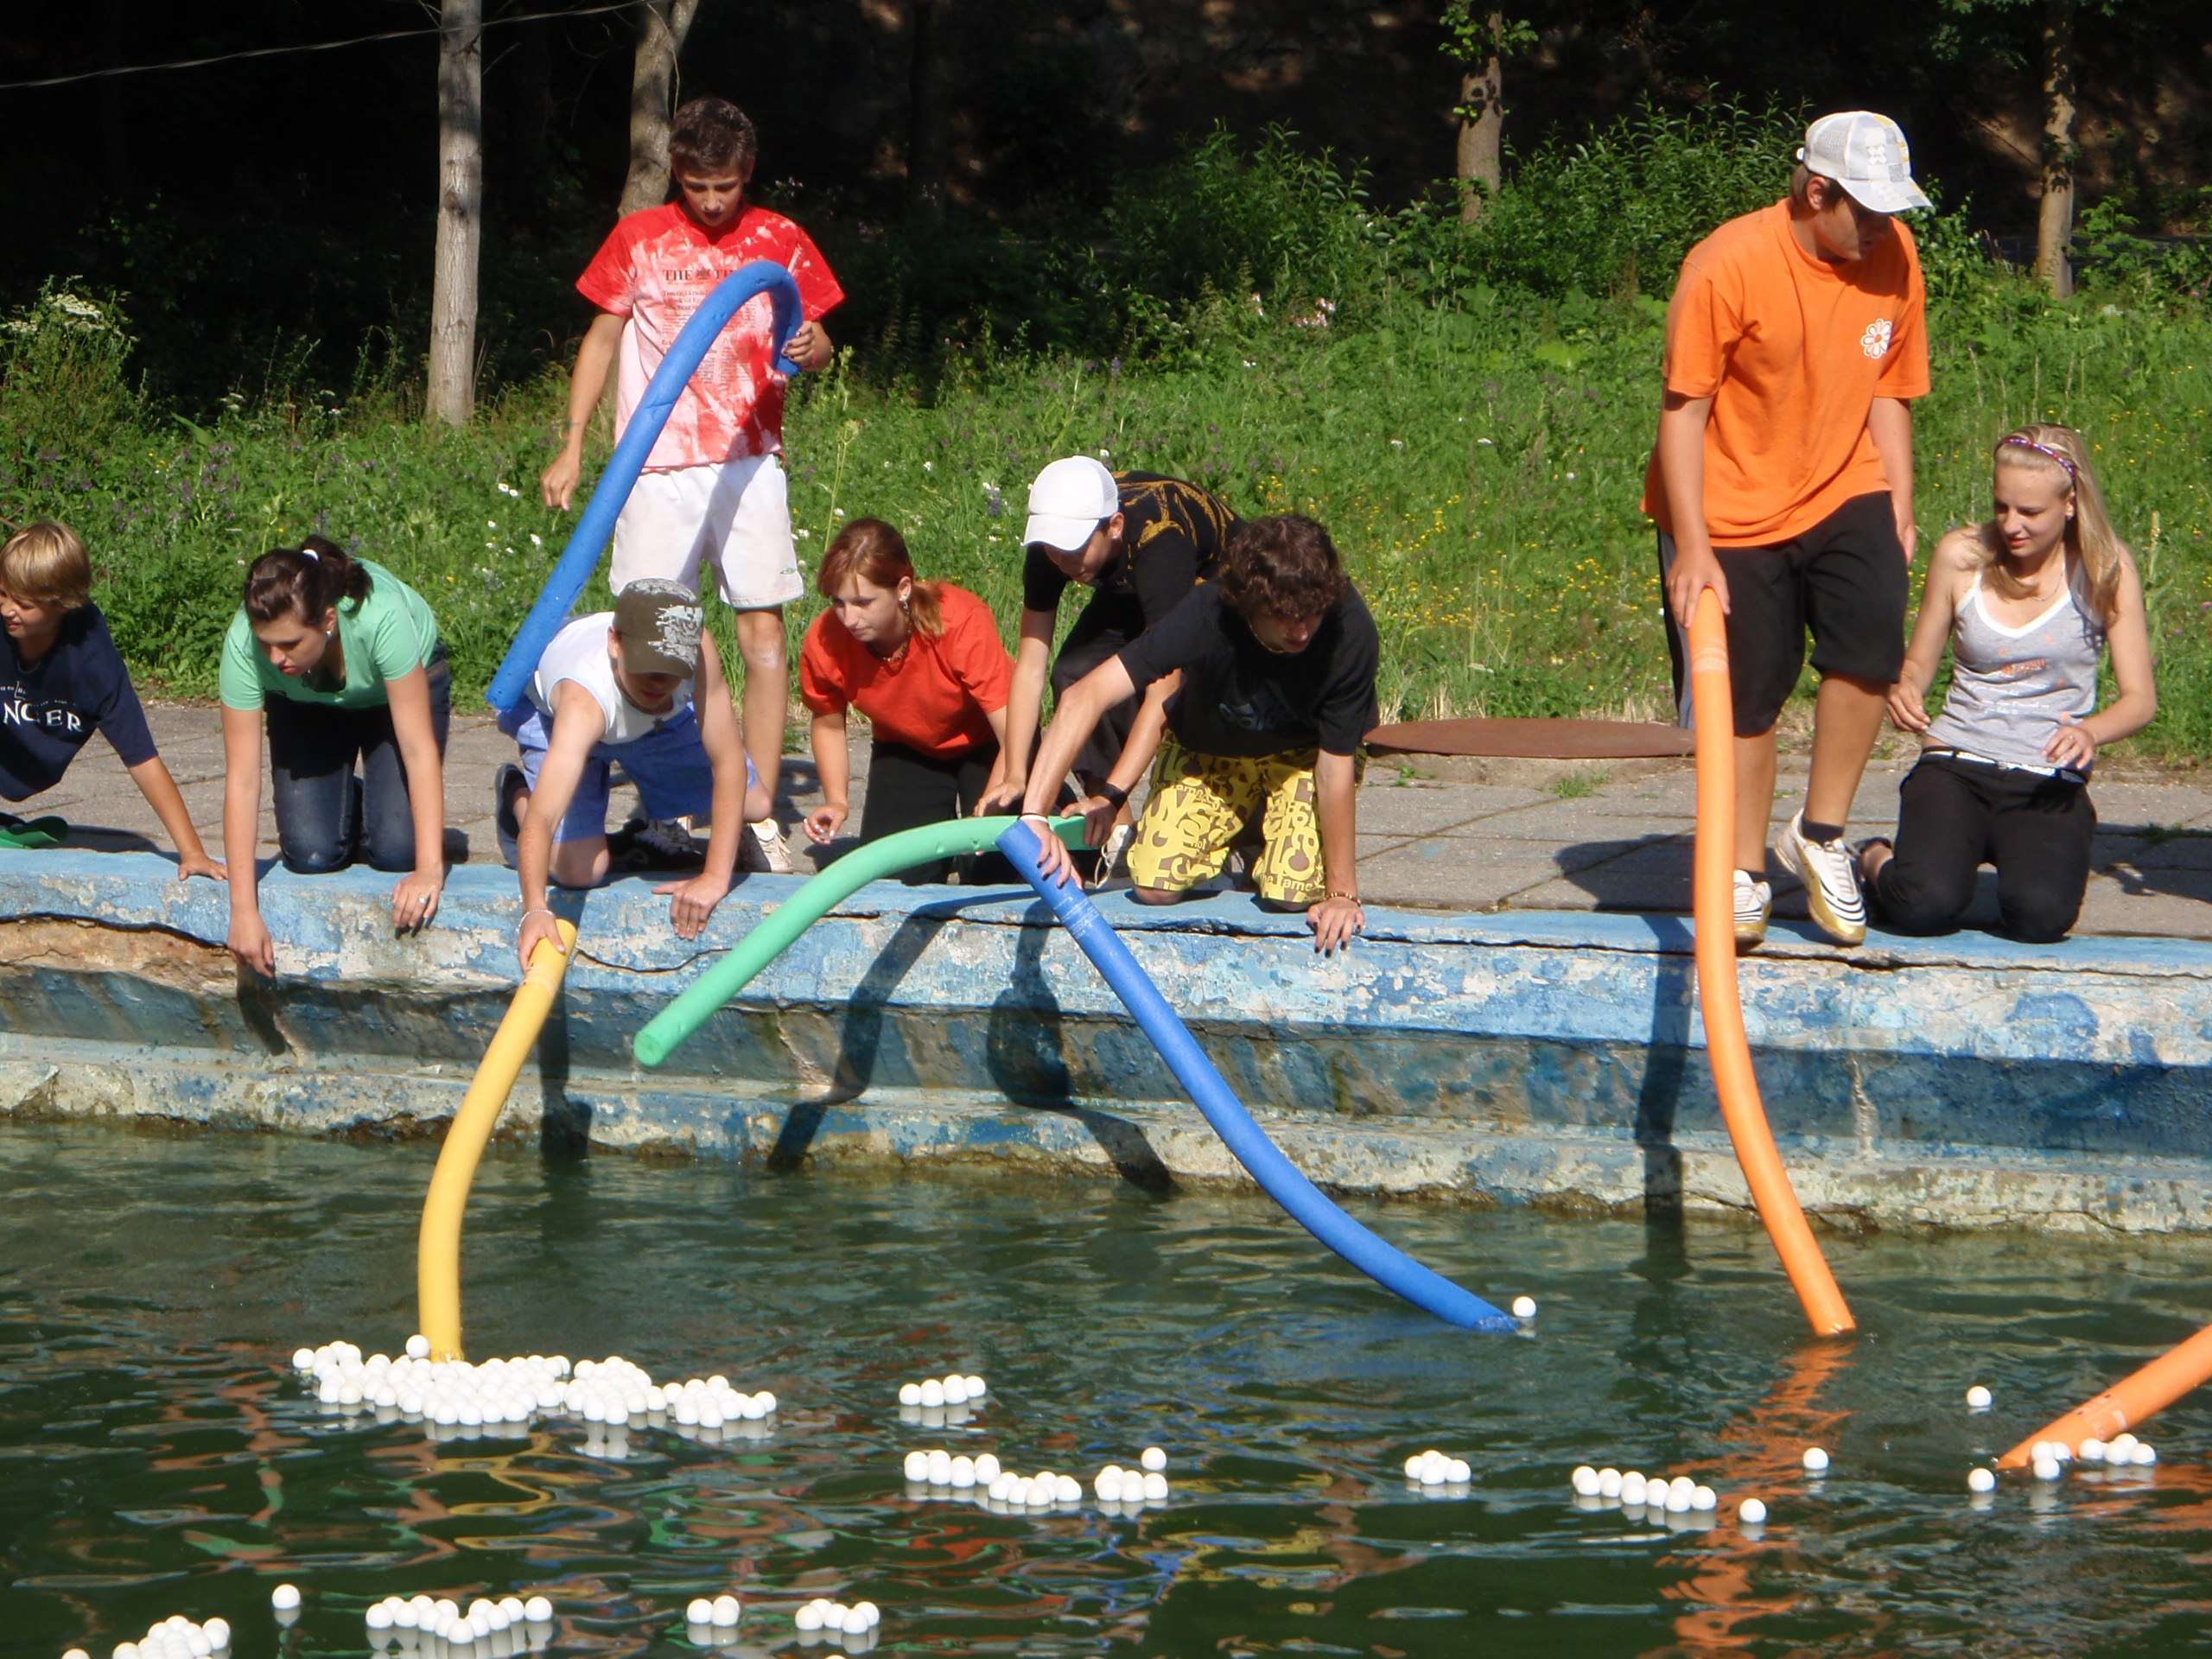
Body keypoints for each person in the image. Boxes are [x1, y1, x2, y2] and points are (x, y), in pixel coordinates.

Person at [538, 95, 842, 877]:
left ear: (748, 173)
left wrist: (810, 346)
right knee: (654, 637)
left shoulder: (779, 239)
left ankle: (757, 806)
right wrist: (573, 445)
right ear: (676, 171)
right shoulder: (639, 237)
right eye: (697, 186)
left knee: (762, 632)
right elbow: (601, 338)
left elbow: (818, 343)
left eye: (726, 187)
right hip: (654, 466)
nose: (711, 202)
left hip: (748, 458)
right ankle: (667, 808)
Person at [1649, 111, 1932, 949]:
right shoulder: (1726, 264)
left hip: (1843, 481)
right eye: (1868, 211)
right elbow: (1682, 414)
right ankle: (1743, 866)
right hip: (1731, 501)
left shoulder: (1894, 255)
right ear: (1816, 193)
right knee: (1749, 689)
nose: (1882, 228)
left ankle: (1819, 834)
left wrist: (1899, 502)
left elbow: (1889, 389)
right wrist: (1693, 546)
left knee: (1870, 641)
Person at [1020, 514, 1376, 955]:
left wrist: (1342, 893)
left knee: (1292, 893)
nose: (1302, 631)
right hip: (1211, 755)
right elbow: (1085, 695)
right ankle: (1236, 837)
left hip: (1303, 758)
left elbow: (1335, 766)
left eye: (1311, 614)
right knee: (1154, 884)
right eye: (1284, 618)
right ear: (1248, 606)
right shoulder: (1209, 612)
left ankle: (1262, 832)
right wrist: (1034, 816)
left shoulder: (1348, 628)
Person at [1859, 425, 2154, 941]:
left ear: (2070, 504)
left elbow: (2139, 701)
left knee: (2041, 918)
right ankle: (1873, 858)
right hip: (1957, 761)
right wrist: (1903, 687)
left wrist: (2089, 732)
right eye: (2002, 507)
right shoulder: (1961, 555)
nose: (2012, 525)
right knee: (1924, 907)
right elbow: (1918, 664)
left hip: (2045, 777)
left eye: (2030, 512)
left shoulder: (2106, 568)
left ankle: (2016, 859)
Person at [504, 580, 769, 973]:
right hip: (555, 722)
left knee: (755, 803)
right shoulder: (582, 703)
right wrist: (535, 909)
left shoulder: (697, 648)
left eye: (672, 673)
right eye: (648, 670)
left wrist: (715, 876)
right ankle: (515, 794)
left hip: (651, 724)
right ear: (615, 644)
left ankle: (647, 814)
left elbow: (727, 761)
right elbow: (543, 818)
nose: (659, 685)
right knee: (579, 871)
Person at [981, 459, 1240, 854]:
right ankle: (1117, 838)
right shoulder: (1054, 550)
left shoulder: (1161, 540)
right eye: (1053, 550)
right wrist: (1016, 773)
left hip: (1219, 586)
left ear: (1114, 525)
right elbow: (1031, 665)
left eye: (1074, 548)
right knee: (1074, 673)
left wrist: (1115, 792)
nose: (1063, 562)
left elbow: (1164, 689)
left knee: (1192, 699)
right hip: (1130, 583)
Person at [219, 537, 448, 975]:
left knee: (397, 852)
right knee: (311, 855)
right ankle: (353, 795)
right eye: (266, 644)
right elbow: (242, 781)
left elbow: (419, 751)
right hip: (306, 701)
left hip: (392, 698)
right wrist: (243, 911)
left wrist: (428, 871)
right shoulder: (243, 643)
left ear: (327, 620)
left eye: (289, 643)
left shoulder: (380, 616)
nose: (275, 657)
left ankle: (383, 803)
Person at [0, 520, 222, 879]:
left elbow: (142, 757)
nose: (7, 609)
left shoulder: (92, 662)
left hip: (37, 754)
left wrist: (193, 852)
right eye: (2, 594)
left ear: (61, 603)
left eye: (23, 603)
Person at [798, 519, 1014, 883]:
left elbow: (1013, 729)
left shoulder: (959, 620)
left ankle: (1049, 802)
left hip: (990, 743)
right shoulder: (826, 638)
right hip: (908, 747)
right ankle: (938, 827)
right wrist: (837, 800)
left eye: (863, 602)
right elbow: (828, 721)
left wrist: (991, 805)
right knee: (898, 878)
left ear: (902, 588)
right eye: (838, 602)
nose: (849, 618)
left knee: (993, 869)